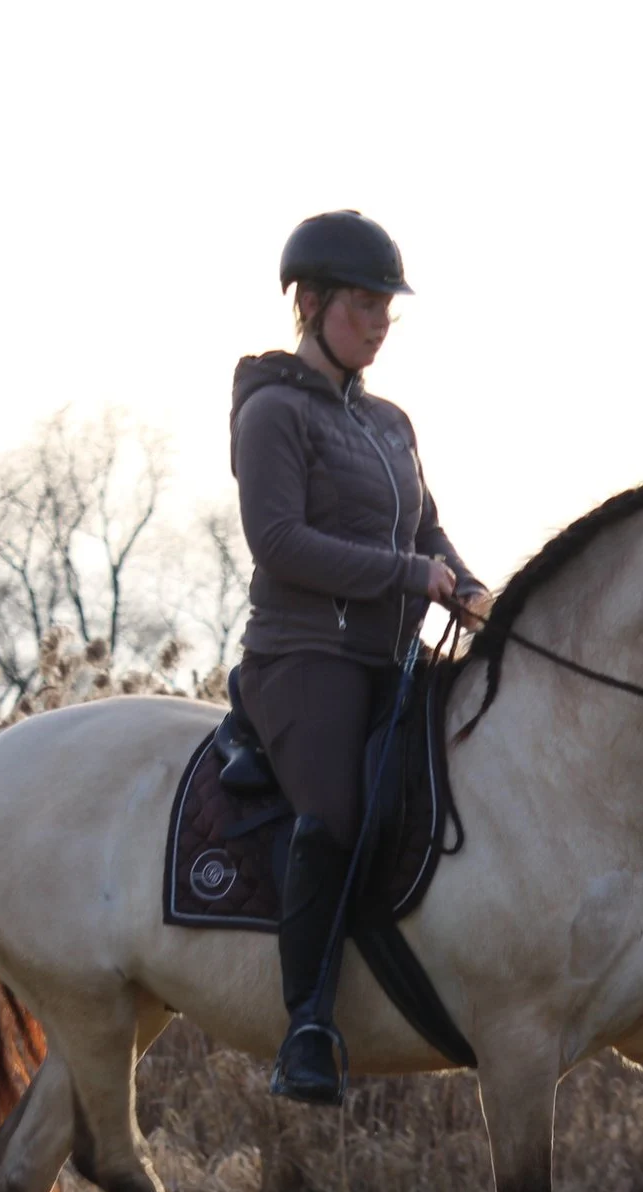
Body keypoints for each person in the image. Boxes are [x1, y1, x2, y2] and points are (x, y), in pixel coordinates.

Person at [227, 210, 489, 1105]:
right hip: (304, 658)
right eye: (363, 305)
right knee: (337, 813)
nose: (378, 323)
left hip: (392, 657)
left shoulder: (389, 423)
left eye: (387, 308)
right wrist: (412, 575)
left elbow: (427, 530)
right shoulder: (271, 413)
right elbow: (279, 543)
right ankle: (306, 1023)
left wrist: (474, 587)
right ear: (311, 304)